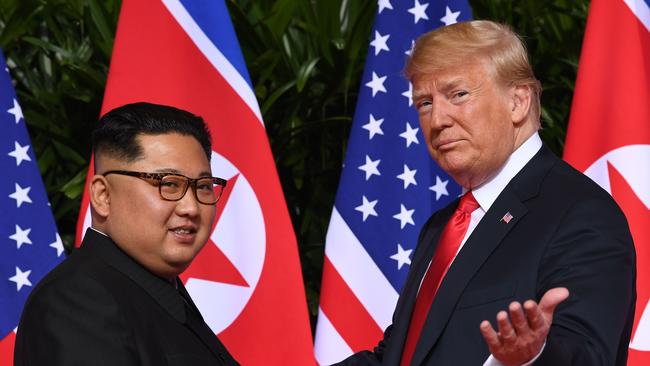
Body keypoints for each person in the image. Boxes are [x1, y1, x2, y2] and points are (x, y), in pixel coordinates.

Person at [335, 20, 635, 365]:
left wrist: (531, 356)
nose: (438, 120)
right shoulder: (442, 225)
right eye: (425, 103)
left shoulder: (581, 213)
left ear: (518, 102)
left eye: (458, 95)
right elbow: (399, 357)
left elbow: (589, 356)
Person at [14, 102, 239, 365]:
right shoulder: (79, 301)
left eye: (202, 186)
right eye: (168, 184)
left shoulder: (159, 293)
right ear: (103, 195)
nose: (191, 207)